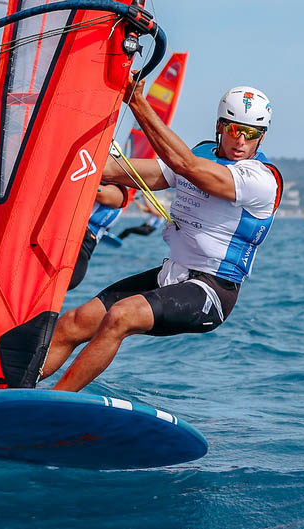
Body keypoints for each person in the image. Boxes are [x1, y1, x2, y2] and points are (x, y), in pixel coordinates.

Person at [41, 81, 283, 391]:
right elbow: (141, 172)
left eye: (251, 133)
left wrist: (136, 101)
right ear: (219, 127)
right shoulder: (202, 153)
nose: (241, 140)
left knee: (121, 316)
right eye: (234, 129)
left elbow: (186, 166)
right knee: (74, 322)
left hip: (211, 291)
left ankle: (52, 404)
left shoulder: (260, 179)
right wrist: (70, 155)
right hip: (170, 274)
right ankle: (14, 393)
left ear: (262, 136)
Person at [68, 182, 130, 290]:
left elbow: (100, 193)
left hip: (83, 245)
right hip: (66, 236)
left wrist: (74, 179)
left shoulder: (118, 193)